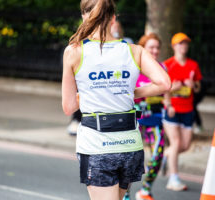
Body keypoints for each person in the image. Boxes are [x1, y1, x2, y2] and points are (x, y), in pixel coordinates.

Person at [62, 0, 171, 199]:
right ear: (113, 18)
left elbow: (69, 107)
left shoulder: (74, 52)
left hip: (97, 145)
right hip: (130, 144)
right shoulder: (134, 50)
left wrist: (89, 94)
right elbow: (165, 83)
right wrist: (134, 92)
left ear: (84, 16)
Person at [123, 33, 166, 200]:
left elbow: (166, 92)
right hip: (135, 122)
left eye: (157, 47)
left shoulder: (162, 68)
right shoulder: (134, 67)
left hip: (155, 120)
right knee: (131, 159)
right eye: (151, 47)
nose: (155, 51)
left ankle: (145, 190)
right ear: (143, 49)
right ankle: (125, 194)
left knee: (158, 155)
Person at [162, 32, 202, 191]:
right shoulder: (167, 65)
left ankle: (167, 154)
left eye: (185, 43)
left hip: (188, 109)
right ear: (173, 46)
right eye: (180, 43)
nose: (183, 46)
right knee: (176, 143)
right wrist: (170, 98)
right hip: (172, 109)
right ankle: (173, 179)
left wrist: (193, 85)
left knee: (185, 146)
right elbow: (163, 89)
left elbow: (198, 88)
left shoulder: (193, 65)